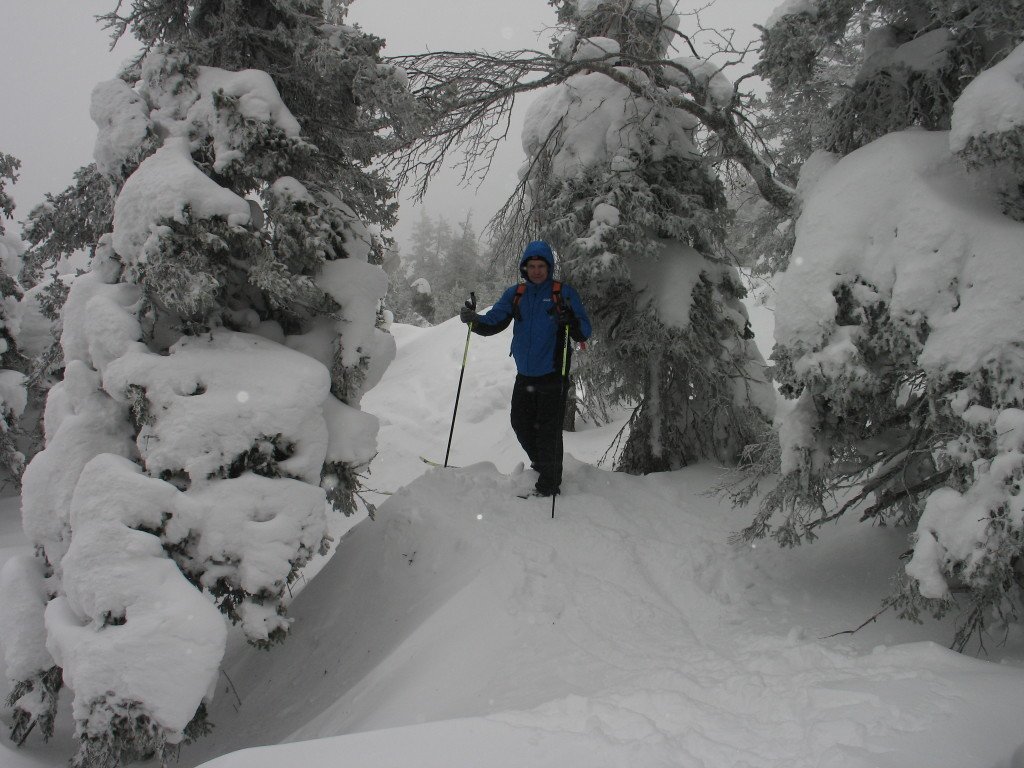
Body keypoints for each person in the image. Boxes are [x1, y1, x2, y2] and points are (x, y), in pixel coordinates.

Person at [460, 240, 592, 497]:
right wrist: (473, 321)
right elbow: (494, 322)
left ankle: (549, 485)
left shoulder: (563, 293)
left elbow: (584, 330)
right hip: (525, 375)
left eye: (541, 266)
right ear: (524, 268)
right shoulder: (516, 294)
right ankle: (543, 465)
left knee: (548, 431)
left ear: (549, 267)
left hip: (553, 374)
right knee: (520, 423)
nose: (536, 271)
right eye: (532, 266)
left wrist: (570, 320)